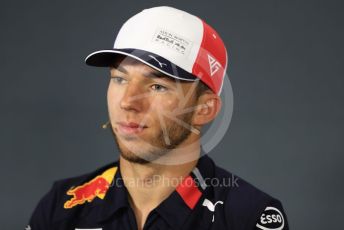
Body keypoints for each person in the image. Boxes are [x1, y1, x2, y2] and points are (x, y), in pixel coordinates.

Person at [27, 6, 289, 230]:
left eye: (157, 86)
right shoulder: (61, 206)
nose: (128, 101)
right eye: (119, 79)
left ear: (204, 109)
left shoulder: (248, 217)